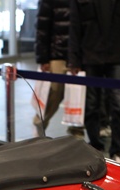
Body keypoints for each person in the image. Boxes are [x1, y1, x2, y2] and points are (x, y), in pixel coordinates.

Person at [69, 0, 120, 164]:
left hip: (118, 52)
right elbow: (75, 24)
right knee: (92, 103)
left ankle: (119, 152)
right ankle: (95, 146)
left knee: (119, 103)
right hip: (91, 51)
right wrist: (74, 59)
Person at [33, 0, 83, 138]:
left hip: (80, 53)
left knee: (79, 95)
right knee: (54, 91)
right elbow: (42, 25)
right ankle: (40, 121)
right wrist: (43, 57)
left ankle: (77, 131)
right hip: (58, 51)